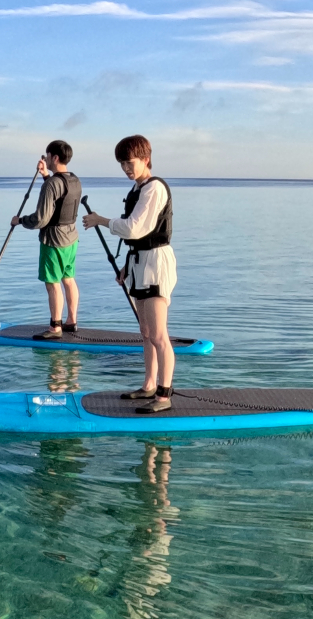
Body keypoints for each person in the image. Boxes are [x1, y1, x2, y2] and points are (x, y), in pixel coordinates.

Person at [82, 134, 176, 414]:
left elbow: (136, 228)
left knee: (159, 335)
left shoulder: (154, 188)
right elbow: (136, 237)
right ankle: (148, 384)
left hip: (157, 264)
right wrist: (126, 267)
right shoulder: (138, 188)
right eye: (122, 163)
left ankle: (164, 394)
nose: (126, 167)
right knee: (145, 332)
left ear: (146, 159)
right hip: (139, 263)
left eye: (130, 162)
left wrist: (101, 220)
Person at [13, 140, 82, 340]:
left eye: (47, 155)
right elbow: (59, 200)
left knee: (52, 283)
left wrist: (20, 221)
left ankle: (55, 328)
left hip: (54, 242)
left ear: (55, 157)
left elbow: (41, 219)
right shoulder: (75, 180)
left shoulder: (52, 184)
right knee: (68, 280)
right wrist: (45, 175)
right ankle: (71, 321)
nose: (45, 158)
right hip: (72, 239)